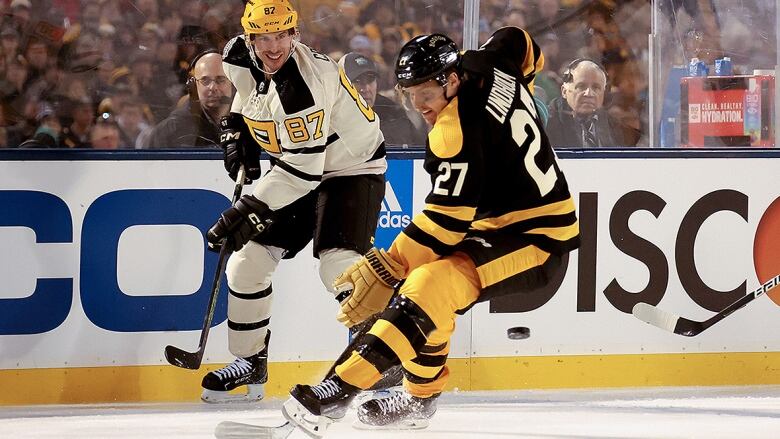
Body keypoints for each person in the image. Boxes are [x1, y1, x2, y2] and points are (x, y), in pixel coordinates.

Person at [281, 28, 580, 435]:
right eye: (409, 92)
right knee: (425, 287)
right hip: (498, 224)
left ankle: (339, 389)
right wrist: (522, 86)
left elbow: (446, 223)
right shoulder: (490, 61)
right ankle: (418, 398)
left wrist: (390, 263)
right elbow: (520, 41)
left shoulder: (455, 130)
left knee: (427, 285)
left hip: (539, 239)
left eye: (426, 91)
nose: (418, 103)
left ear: (452, 79)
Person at [199, 0, 387, 403]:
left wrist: (245, 209)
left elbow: (304, 173)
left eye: (282, 34)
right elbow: (248, 97)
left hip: (351, 169)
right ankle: (250, 361)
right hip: (297, 167)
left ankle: (385, 360)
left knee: (338, 264)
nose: (273, 46)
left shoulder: (304, 85)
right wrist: (236, 130)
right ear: (248, 38)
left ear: (295, 34)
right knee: (247, 264)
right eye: (263, 37)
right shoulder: (237, 55)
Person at [146, 50, 232, 148]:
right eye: (205, 80)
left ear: (233, 83)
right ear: (194, 86)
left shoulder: (249, 122)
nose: (212, 87)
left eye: (220, 80)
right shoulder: (168, 132)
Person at [546, 58, 639, 147]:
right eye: (581, 86)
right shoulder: (545, 126)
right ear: (564, 91)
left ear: (604, 93)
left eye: (596, 88)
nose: (589, 94)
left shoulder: (615, 129)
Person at [339, 52, 426, 147]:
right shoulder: (330, 117)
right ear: (342, 85)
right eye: (357, 81)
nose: (366, 89)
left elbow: (419, 152)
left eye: (370, 80)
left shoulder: (394, 113)